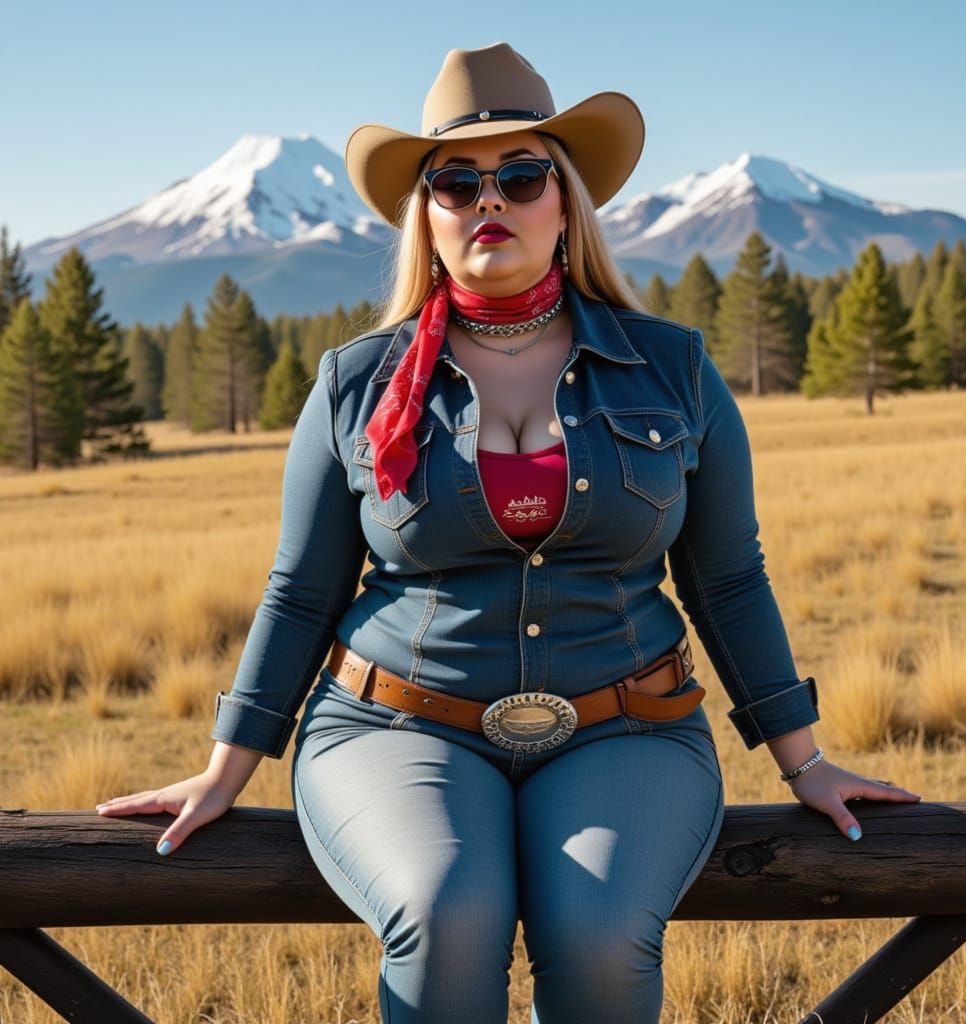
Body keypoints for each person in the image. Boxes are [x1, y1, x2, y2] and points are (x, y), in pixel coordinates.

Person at [96, 41, 922, 1024]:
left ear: (564, 202)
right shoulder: (355, 384)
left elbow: (729, 580)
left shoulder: (671, 369)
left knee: (600, 935)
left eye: (521, 176)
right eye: (457, 182)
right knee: (443, 911)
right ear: (429, 215)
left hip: (628, 726)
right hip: (395, 725)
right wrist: (226, 765)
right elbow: (302, 589)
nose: (489, 198)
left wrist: (805, 762)